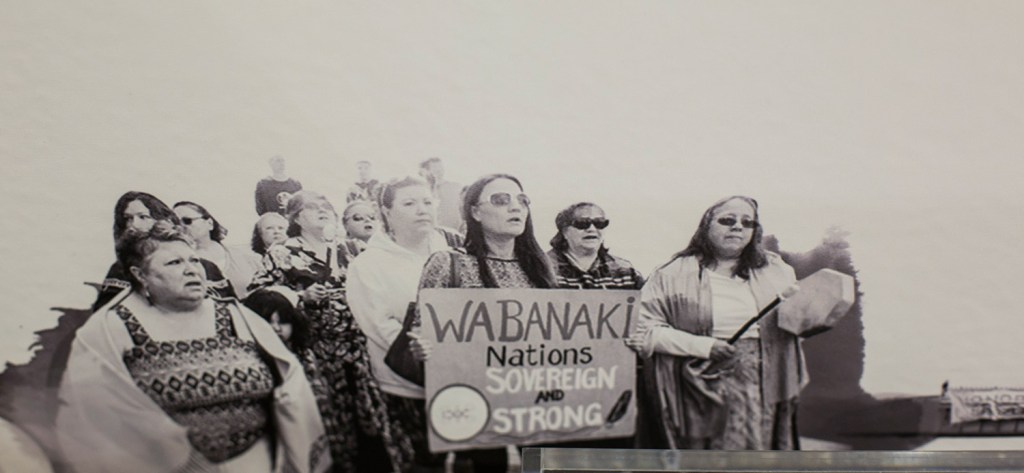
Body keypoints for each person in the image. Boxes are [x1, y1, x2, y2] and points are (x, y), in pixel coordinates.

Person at [56, 223, 329, 473]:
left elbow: (290, 383)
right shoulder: (108, 329)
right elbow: (90, 413)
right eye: (175, 262)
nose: (192, 269)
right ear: (140, 274)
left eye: (194, 260)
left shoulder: (237, 316)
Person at [625, 196, 803, 450]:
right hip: (699, 382)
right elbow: (642, 330)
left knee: (759, 452)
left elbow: (794, 324)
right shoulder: (672, 274)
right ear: (706, 226)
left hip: (764, 381)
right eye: (727, 220)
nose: (738, 227)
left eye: (747, 222)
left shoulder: (776, 270)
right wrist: (703, 347)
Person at [247, 191, 404, 473]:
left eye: (326, 207)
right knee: (331, 419)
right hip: (316, 351)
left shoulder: (350, 249)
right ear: (295, 217)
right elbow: (258, 296)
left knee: (372, 419)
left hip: (359, 348)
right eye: (313, 207)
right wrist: (300, 296)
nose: (323, 211)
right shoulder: (282, 252)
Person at [413, 174, 557, 472]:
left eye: (522, 200)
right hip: (472, 396)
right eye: (501, 200)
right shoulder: (447, 262)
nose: (515, 207)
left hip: (530, 395)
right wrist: (422, 347)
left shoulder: (540, 267)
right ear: (475, 212)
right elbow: (422, 329)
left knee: (540, 464)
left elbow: (560, 334)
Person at [346, 176, 454, 472]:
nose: (422, 210)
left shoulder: (453, 255)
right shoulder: (368, 265)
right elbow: (379, 325)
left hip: (456, 380)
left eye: (427, 202)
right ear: (387, 212)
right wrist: (421, 352)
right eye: (409, 203)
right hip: (404, 385)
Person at [93, 191, 234, 310]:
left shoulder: (208, 268)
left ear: (162, 220)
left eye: (143, 217)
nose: (133, 225)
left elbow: (232, 314)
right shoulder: (123, 270)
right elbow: (107, 320)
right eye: (127, 219)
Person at [175, 201, 262, 299]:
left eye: (187, 221)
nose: (181, 227)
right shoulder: (179, 265)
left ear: (209, 223)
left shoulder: (246, 256)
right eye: (176, 223)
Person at [547, 202, 644, 290]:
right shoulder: (542, 268)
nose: (592, 229)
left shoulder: (625, 271)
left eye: (599, 223)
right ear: (564, 231)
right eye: (582, 223)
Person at [418, 157, 463, 231]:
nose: (440, 172)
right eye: (435, 169)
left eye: (441, 168)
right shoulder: (421, 191)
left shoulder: (456, 187)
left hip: (456, 233)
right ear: (425, 171)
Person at [336, 200, 377, 270]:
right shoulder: (338, 251)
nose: (367, 220)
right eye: (358, 218)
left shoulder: (386, 249)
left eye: (372, 217)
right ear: (345, 224)